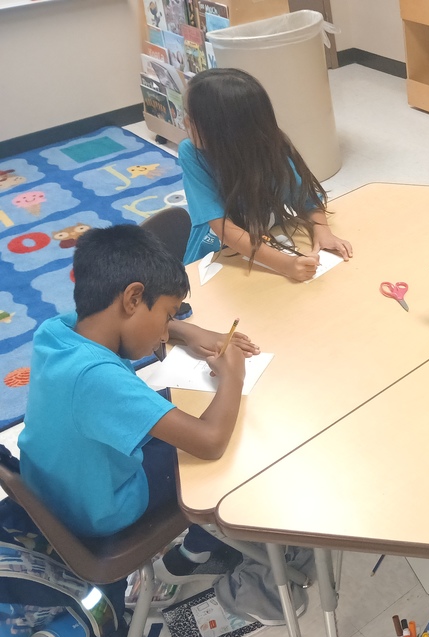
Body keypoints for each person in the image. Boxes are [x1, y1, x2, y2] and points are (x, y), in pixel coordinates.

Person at [18, 225, 259, 577]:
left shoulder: (57, 331)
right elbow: (209, 442)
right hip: (104, 510)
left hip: (57, 488)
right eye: (166, 315)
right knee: (235, 443)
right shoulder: (95, 378)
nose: (164, 333)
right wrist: (233, 374)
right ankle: (204, 549)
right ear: (133, 298)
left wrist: (185, 330)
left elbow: (125, 334)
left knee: (178, 407)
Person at [178, 68, 353, 280]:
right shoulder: (192, 154)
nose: (185, 123)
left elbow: (307, 198)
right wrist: (286, 265)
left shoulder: (269, 150)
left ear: (224, 131)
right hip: (210, 261)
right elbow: (224, 229)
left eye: (192, 118)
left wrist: (322, 230)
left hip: (260, 251)